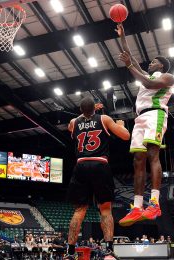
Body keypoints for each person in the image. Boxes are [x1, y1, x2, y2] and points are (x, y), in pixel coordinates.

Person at [114, 23, 174, 226]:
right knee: (137, 160)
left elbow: (147, 83)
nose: (151, 63)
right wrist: (123, 36)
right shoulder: (146, 75)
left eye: (154, 62)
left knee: (152, 155)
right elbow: (130, 56)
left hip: (155, 115)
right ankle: (137, 207)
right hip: (139, 118)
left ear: (162, 66)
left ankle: (154, 203)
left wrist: (130, 66)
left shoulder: (167, 77)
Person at [64, 97, 130, 260]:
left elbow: (73, 124)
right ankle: (108, 251)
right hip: (100, 165)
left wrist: (87, 112)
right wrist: (121, 125)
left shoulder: (74, 122)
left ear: (81, 110)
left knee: (79, 211)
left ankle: (70, 253)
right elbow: (126, 136)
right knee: (105, 209)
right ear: (95, 108)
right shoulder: (105, 119)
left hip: (81, 166)